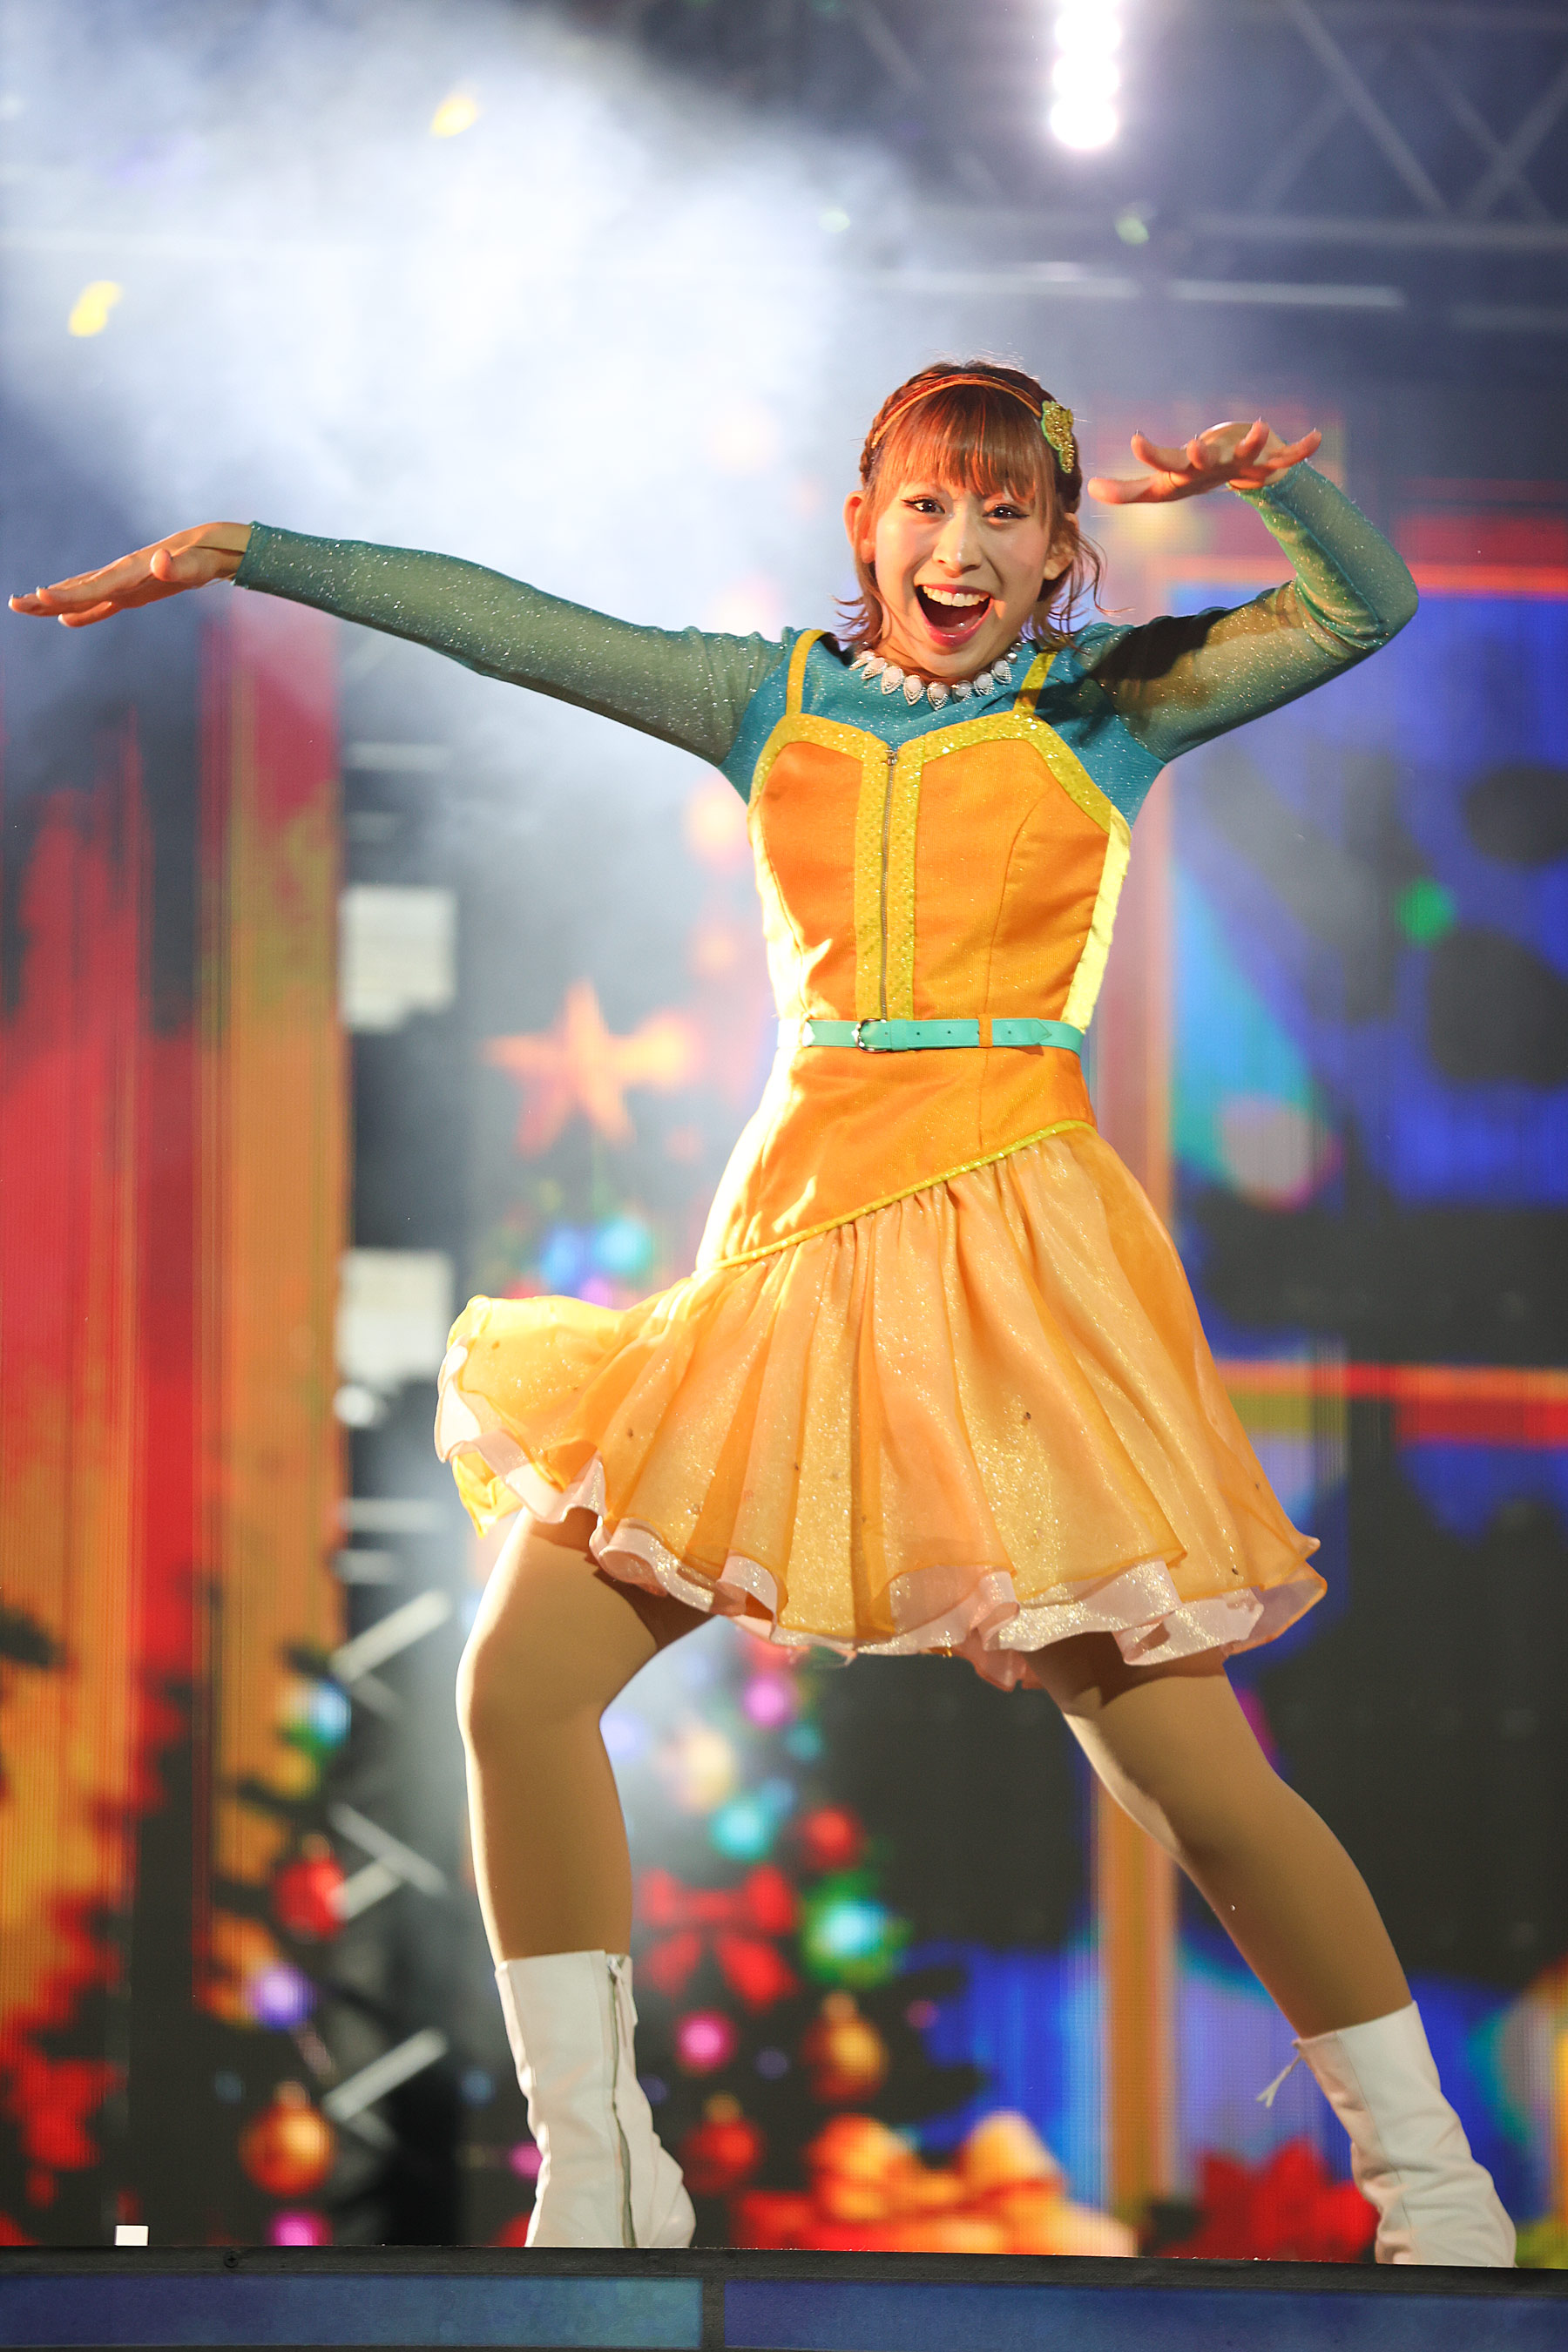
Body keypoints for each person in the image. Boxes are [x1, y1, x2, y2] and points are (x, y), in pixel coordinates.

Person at [12, 362, 1514, 2268]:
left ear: (1060, 548)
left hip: (1014, 1263)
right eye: (925, 505)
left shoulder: (1109, 705)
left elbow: (1366, 609)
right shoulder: (768, 701)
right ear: (862, 521)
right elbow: (509, 626)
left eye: (1004, 515)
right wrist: (249, 551)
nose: (957, 548)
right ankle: (599, 2169)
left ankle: (1435, 2186)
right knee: (517, 1683)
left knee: (1189, 1774)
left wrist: (1278, 491)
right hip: (790, 1255)